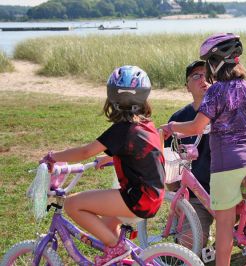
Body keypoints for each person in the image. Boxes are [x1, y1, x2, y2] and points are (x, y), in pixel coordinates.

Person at [40, 65, 165, 266]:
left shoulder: (121, 131)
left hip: (137, 199)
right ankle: (118, 256)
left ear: (112, 99)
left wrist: (52, 157)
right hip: (152, 197)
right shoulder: (145, 124)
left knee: (72, 204)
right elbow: (144, 152)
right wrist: (112, 157)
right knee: (107, 228)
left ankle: (117, 248)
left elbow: (84, 152)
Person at [161, 33, 246, 266]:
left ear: (214, 64)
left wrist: (171, 127)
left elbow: (198, 125)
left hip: (227, 163)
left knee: (225, 229)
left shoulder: (216, 92)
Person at [165, 60, 214, 247]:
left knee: (239, 236)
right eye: (196, 76)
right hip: (195, 197)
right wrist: (176, 198)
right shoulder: (178, 119)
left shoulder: (225, 113)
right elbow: (169, 161)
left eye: (208, 75)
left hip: (228, 192)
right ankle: (201, 234)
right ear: (187, 86)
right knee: (188, 247)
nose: (204, 79)